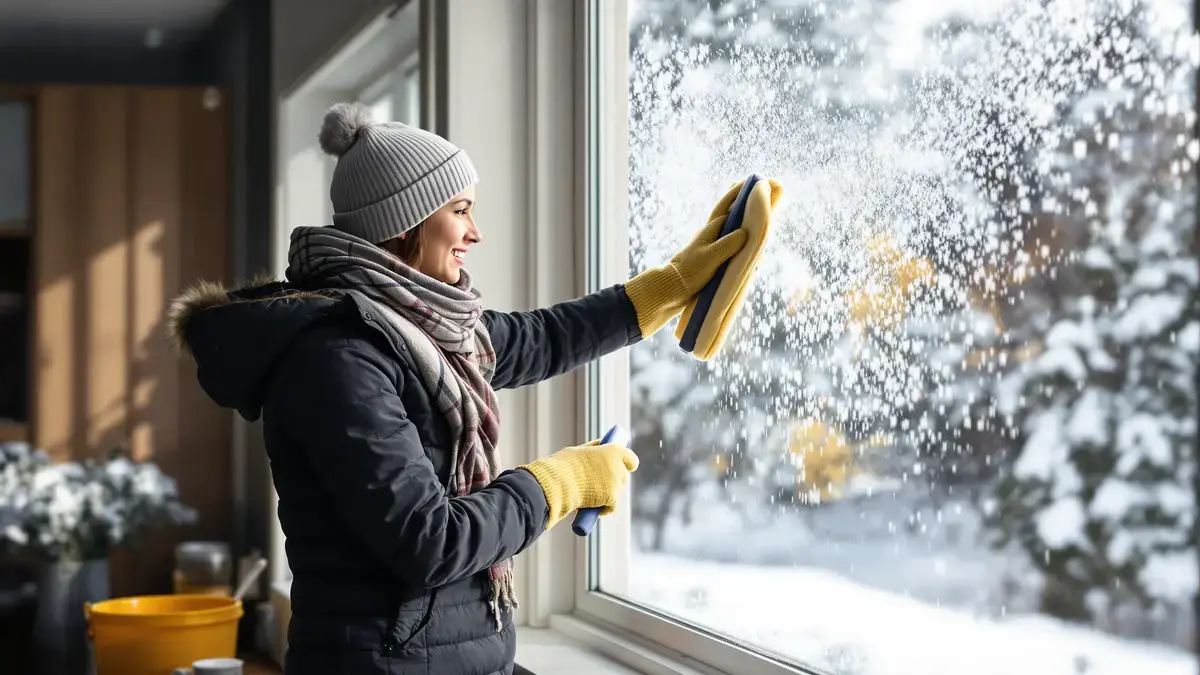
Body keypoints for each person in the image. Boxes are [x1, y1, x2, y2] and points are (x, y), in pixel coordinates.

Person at [168, 102, 749, 675]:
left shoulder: (418, 329)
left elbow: (541, 337)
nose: (476, 231)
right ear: (406, 222)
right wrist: (561, 483)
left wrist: (673, 284)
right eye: (461, 210)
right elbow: (430, 540)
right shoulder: (338, 359)